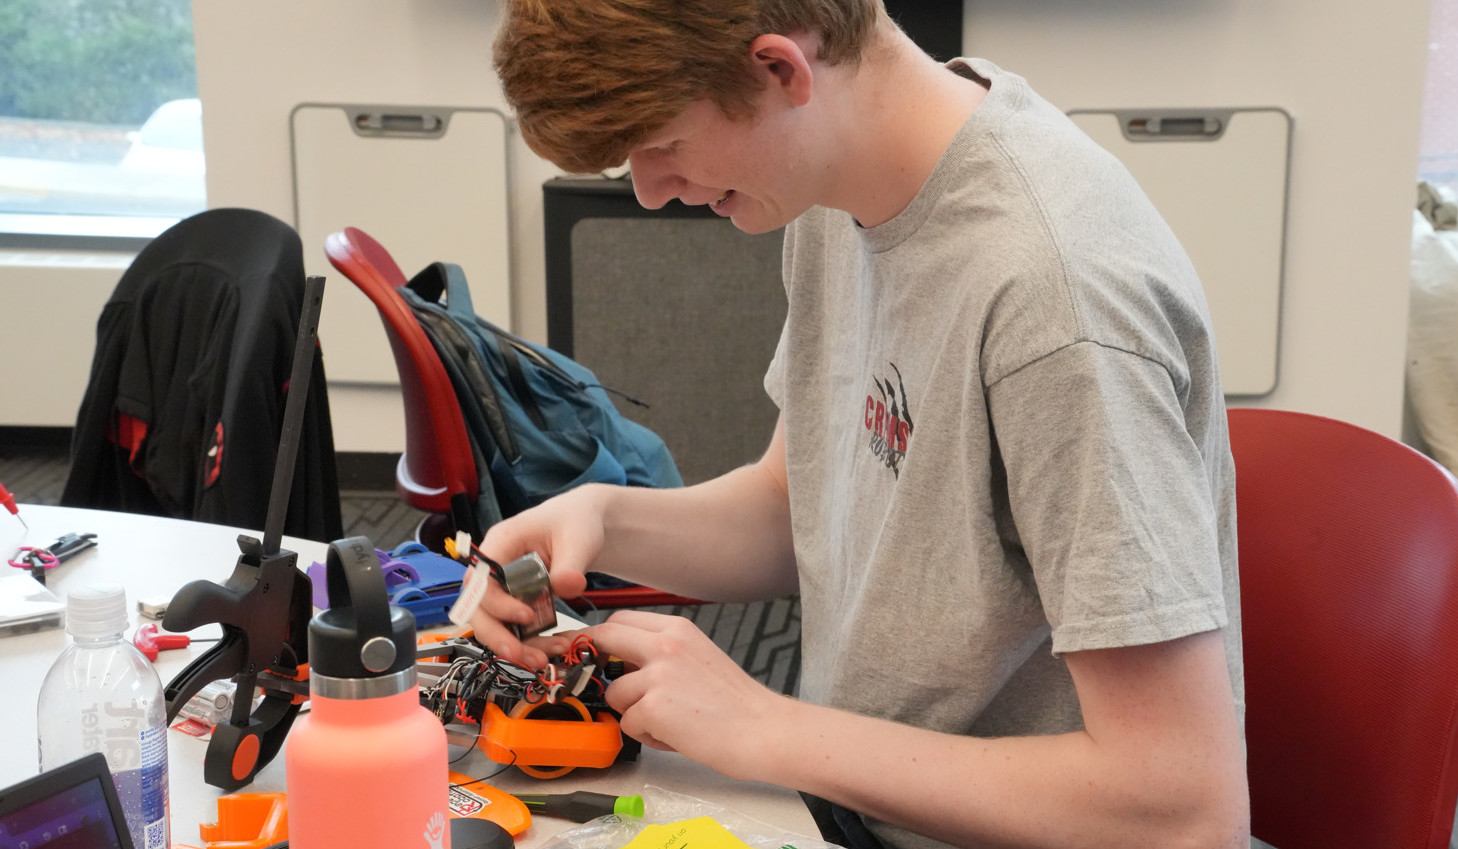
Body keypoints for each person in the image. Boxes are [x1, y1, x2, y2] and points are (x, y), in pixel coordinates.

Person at [472, 2, 1249, 847]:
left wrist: (767, 729)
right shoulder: (833, 186)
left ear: (778, 69)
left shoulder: (1056, 299)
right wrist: (603, 517)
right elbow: (794, 506)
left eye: (660, 145)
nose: (653, 192)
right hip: (850, 798)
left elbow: (1180, 807)